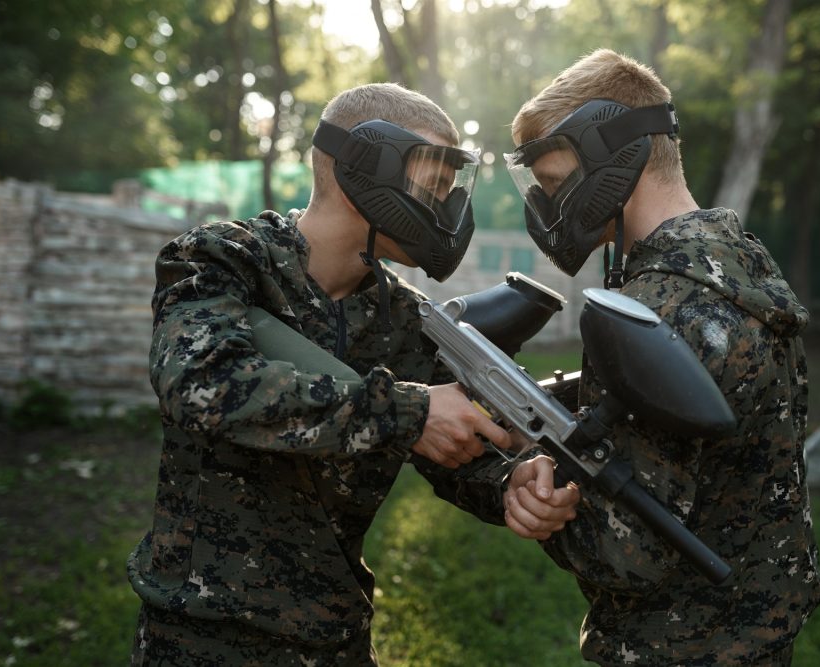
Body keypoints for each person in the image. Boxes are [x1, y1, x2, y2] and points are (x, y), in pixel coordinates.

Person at [127, 82, 579, 666]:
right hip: (201, 638)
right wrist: (408, 413)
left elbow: (454, 446)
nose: (445, 208)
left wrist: (512, 484)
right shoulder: (224, 260)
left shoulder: (403, 317)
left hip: (334, 637)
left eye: (449, 189)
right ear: (363, 166)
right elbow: (202, 384)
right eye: (433, 186)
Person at [501, 49, 820, 665]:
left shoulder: (654, 309)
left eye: (551, 183)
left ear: (606, 159)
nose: (547, 208)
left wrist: (510, 479)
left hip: (673, 645)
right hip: (758, 633)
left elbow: (625, 553)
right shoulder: (741, 262)